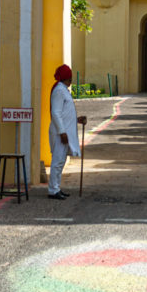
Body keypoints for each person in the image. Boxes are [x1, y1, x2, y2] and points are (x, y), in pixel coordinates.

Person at [48, 64, 86, 200]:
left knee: (61, 162)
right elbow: (56, 113)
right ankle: (53, 190)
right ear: (65, 78)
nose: (71, 80)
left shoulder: (63, 90)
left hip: (63, 132)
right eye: (70, 78)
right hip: (60, 133)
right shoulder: (59, 90)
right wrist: (62, 132)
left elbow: (65, 114)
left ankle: (56, 187)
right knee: (57, 161)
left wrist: (77, 120)